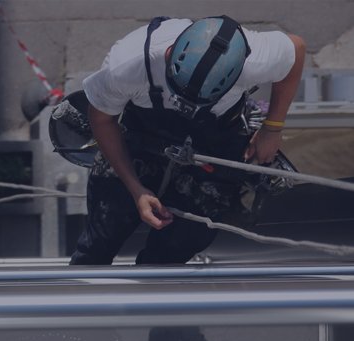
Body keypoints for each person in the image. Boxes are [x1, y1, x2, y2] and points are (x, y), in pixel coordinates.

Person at [67, 15, 305, 265]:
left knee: (177, 246)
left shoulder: (254, 58)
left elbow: (297, 49)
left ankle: (152, 293)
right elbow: (102, 120)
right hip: (142, 137)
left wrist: (273, 128)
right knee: (102, 235)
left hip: (213, 142)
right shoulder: (129, 64)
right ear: (169, 54)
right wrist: (136, 190)